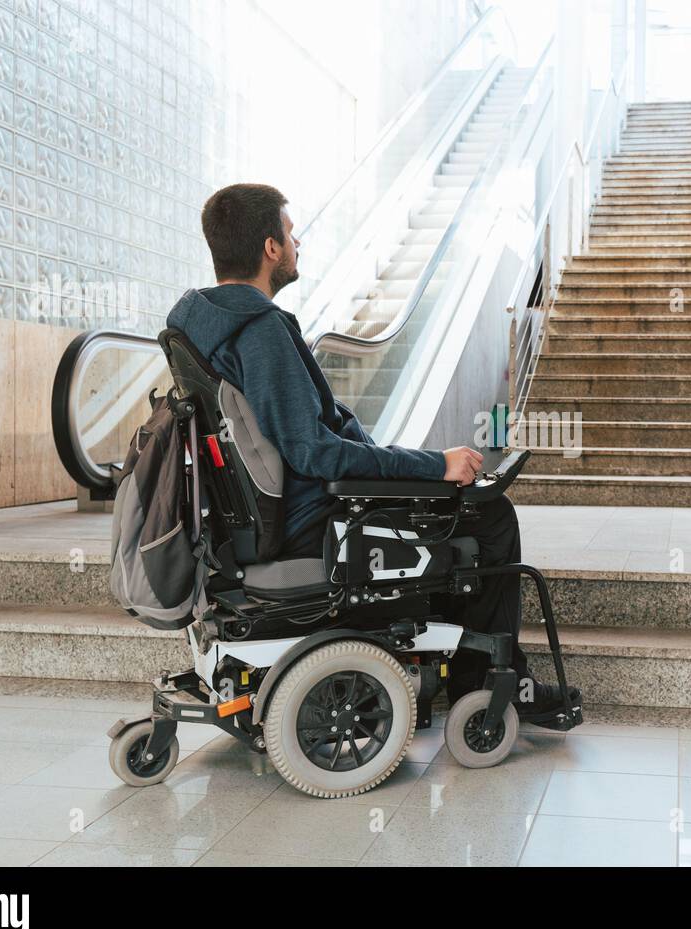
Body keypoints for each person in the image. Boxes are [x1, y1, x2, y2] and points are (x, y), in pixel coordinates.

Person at [166, 183, 572, 718]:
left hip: (263, 518)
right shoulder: (260, 331)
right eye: (290, 233)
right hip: (314, 518)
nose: (297, 242)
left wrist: (418, 469)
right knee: (488, 515)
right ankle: (491, 689)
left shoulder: (198, 325)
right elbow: (317, 456)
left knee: (454, 503)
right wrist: (434, 466)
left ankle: (458, 670)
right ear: (269, 248)